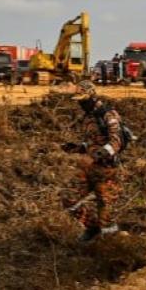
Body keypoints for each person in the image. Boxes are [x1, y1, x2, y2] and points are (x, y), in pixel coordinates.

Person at [61, 81, 124, 243]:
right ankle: (92, 228)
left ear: (91, 96)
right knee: (68, 198)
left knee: (106, 212)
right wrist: (77, 148)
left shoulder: (108, 115)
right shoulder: (87, 117)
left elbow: (116, 143)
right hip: (88, 168)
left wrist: (96, 156)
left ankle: (111, 248)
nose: (80, 103)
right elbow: (92, 142)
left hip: (106, 170)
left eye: (83, 100)